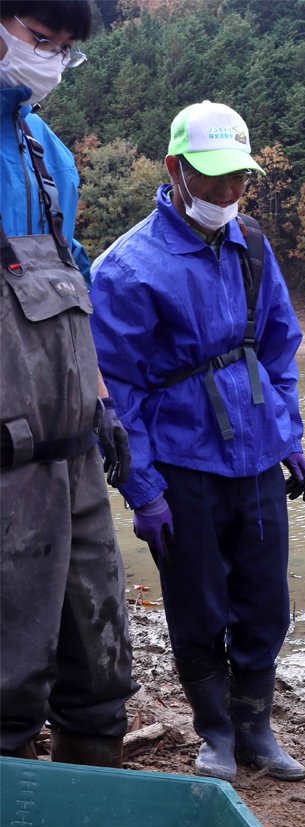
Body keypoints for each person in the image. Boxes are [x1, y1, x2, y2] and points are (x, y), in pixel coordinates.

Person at [90, 101, 305, 782]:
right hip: (181, 465)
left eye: (237, 179)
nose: (225, 193)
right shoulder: (126, 268)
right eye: (211, 178)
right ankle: (214, 732)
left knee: (265, 602)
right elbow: (116, 393)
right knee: (198, 606)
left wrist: (290, 433)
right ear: (174, 169)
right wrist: (143, 489)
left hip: (255, 457)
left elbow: (278, 345)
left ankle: (256, 730)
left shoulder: (253, 246)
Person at [0, 0, 135, 766]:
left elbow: (71, 282)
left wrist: (104, 400)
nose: (49, 59)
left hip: (73, 451)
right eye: (37, 38)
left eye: (64, 48)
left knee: (98, 662)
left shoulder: (49, 154)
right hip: (2, 465)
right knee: (5, 685)